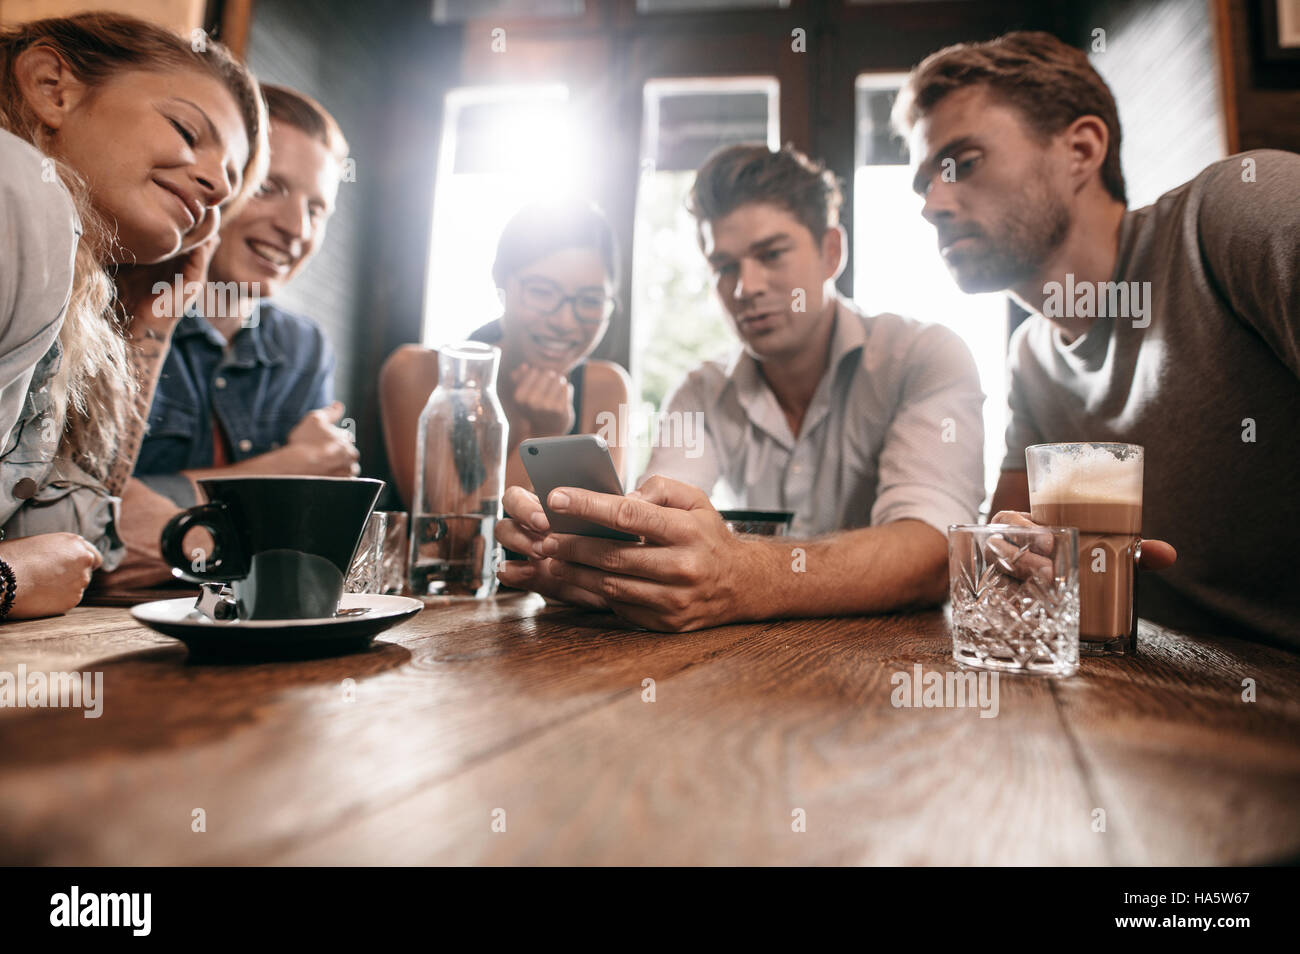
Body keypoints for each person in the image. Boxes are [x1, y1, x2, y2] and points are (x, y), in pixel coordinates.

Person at [891, 31, 1298, 646]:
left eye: (961, 164)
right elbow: (1007, 559)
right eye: (924, 183)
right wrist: (1015, 557)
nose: (931, 205)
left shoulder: (1234, 212)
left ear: (1081, 149)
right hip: (1173, 695)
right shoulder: (1031, 358)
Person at [492, 144, 986, 632]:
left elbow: (935, 551)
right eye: (724, 266)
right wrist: (588, 566)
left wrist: (742, 573)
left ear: (830, 251)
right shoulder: (700, 392)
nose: (745, 287)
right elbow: (657, 534)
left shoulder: (925, 357)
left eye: (771, 254)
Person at [0, 12, 265, 618]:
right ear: (52, 88)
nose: (219, 189)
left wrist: (152, 320)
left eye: (230, 179)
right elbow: (30, 569)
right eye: (187, 130)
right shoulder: (16, 190)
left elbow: (69, 548)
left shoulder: (57, 262)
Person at [101, 85, 355, 589]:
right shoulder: (113, 313)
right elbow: (85, 511)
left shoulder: (304, 348)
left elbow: (302, 537)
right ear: (217, 182)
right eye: (268, 188)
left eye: (316, 209)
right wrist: (286, 470)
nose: (294, 228)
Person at [380, 200, 632, 506]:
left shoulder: (607, 388)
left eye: (591, 301)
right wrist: (542, 439)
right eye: (541, 292)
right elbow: (449, 538)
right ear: (500, 281)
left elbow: (605, 535)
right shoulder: (418, 373)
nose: (565, 322)